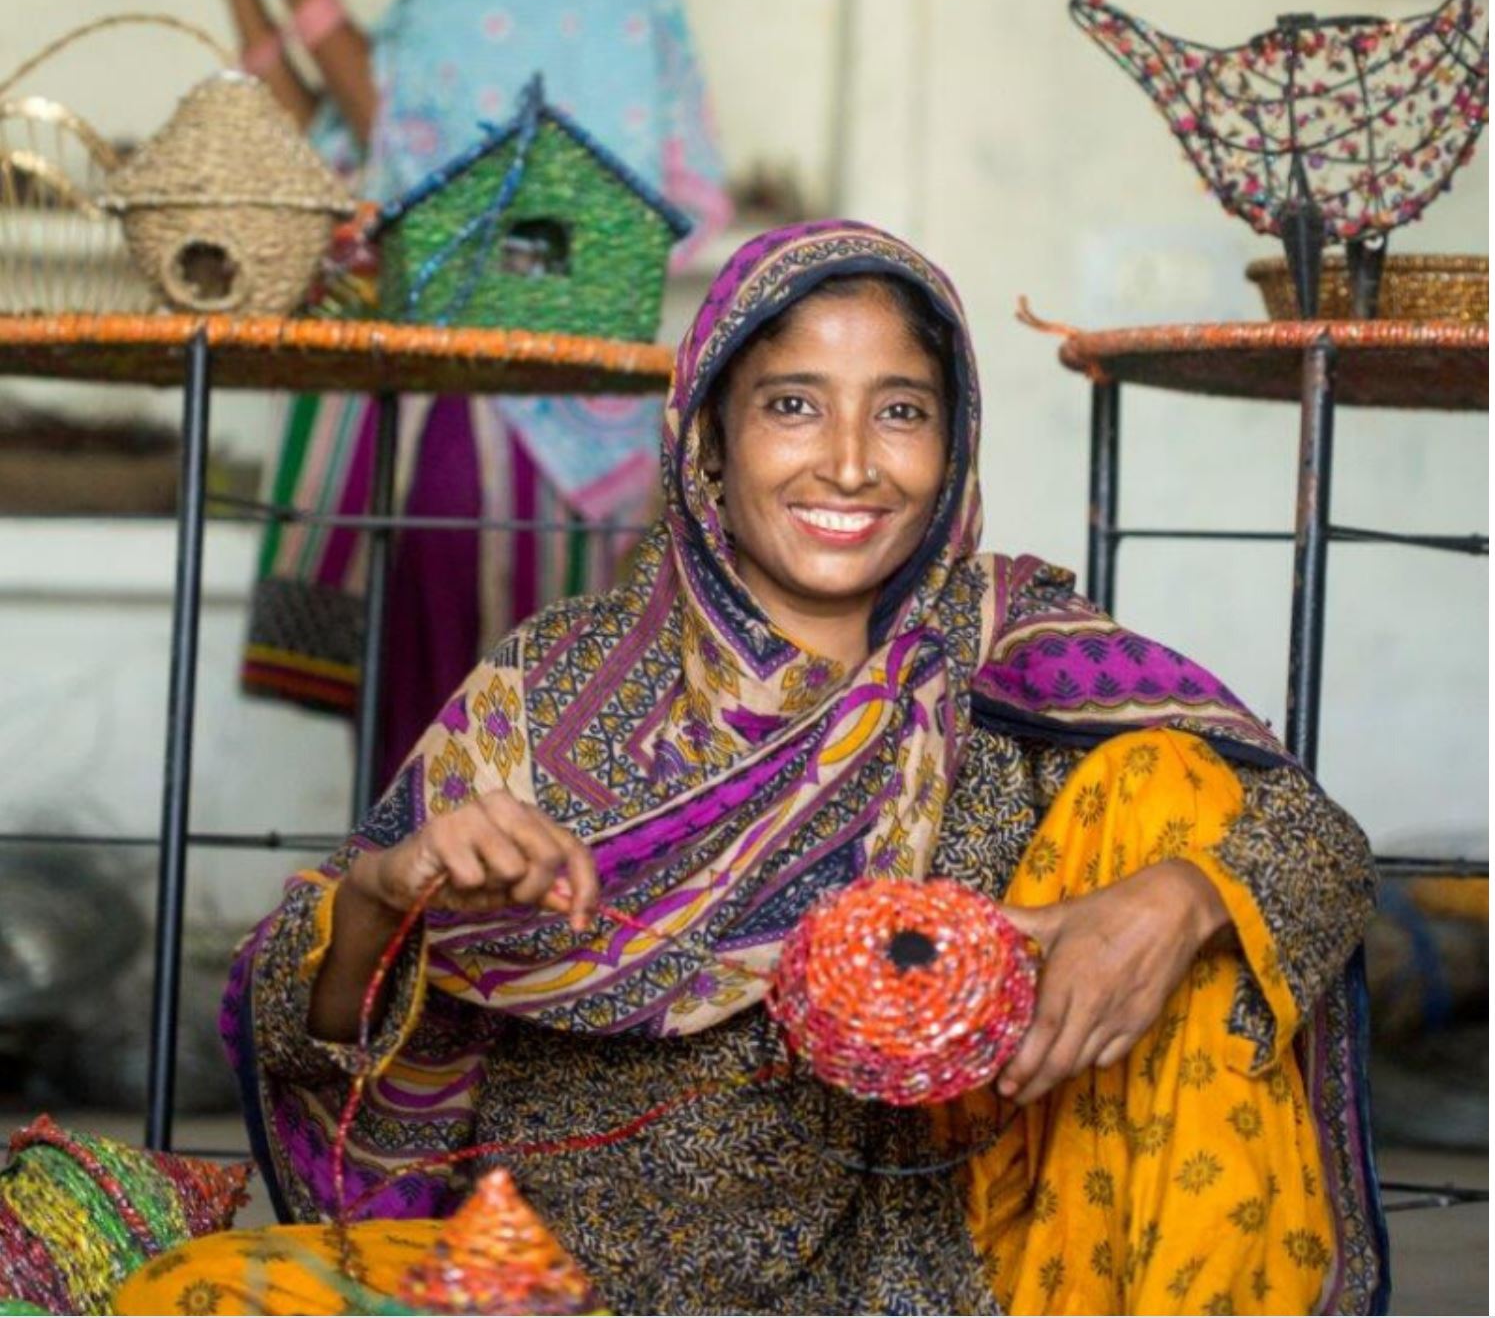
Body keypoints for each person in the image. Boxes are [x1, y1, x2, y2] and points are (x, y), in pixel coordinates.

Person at [117, 222, 1385, 1316]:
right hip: (555, 1269)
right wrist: (393, 891)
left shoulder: (1017, 653)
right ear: (708, 442)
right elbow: (305, 1024)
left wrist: (1169, 903)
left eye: (900, 409)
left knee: (1175, 791)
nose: (848, 461)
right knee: (192, 1295)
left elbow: (1313, 840)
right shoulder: (553, 687)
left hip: (923, 1272)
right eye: (792, 405)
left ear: (953, 449)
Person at [155, 0, 730, 784]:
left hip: (513, 407)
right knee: (401, 738)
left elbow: (427, 157)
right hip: (417, 389)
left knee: (490, 734)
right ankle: (403, 921)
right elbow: (326, 138)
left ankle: (471, 925)